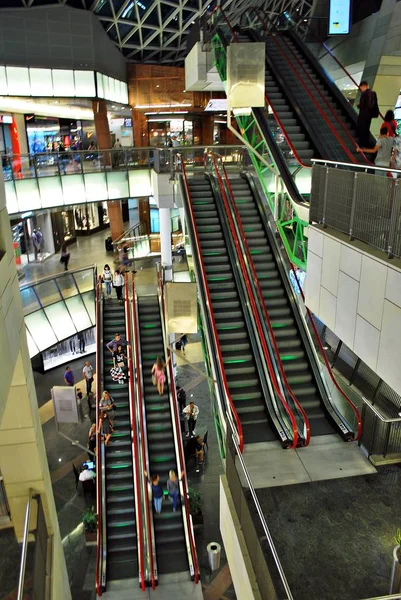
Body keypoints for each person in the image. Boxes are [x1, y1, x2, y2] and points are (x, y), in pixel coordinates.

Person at [357, 81, 379, 147]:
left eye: (361, 88)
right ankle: (366, 144)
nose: (361, 89)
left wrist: (359, 105)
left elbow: (365, 105)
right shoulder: (373, 93)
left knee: (362, 129)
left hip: (363, 115)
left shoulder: (365, 94)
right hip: (370, 115)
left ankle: (361, 144)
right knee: (366, 129)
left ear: (364, 86)